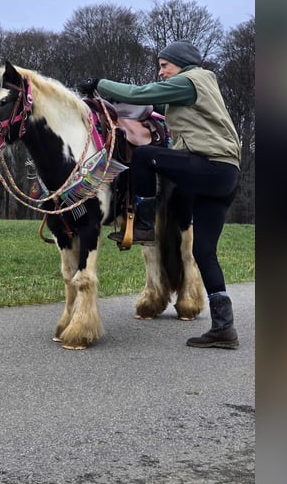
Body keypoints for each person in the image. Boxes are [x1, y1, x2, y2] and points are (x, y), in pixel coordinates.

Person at [76, 40, 242, 348]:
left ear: (181, 64)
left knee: (144, 157)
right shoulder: (201, 87)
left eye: (164, 65)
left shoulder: (189, 80)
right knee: (204, 252)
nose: (160, 71)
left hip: (209, 165)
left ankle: (143, 221)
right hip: (226, 176)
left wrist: (100, 84)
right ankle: (224, 328)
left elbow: (140, 94)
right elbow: (154, 105)